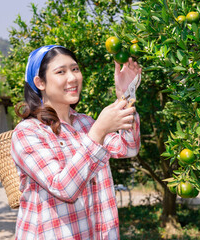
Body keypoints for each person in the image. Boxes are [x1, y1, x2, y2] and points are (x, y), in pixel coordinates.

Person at [11, 45, 141, 239]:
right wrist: (98, 132)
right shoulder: (28, 132)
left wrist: (126, 95)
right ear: (40, 82)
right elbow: (63, 188)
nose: (72, 78)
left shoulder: (85, 123)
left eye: (75, 69)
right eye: (61, 72)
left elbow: (128, 147)